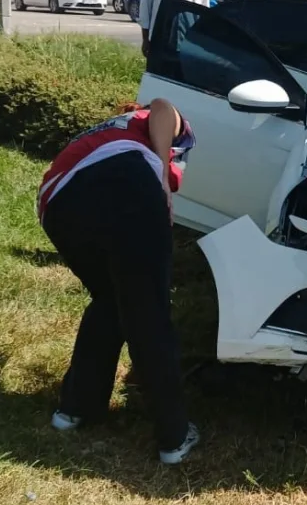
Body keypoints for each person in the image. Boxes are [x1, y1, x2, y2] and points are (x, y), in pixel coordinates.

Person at [37, 98, 200, 465]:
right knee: (149, 312)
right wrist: (161, 170)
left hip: (57, 203)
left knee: (112, 300)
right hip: (124, 183)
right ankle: (174, 438)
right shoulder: (145, 123)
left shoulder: (105, 132)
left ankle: (76, 409)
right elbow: (163, 107)